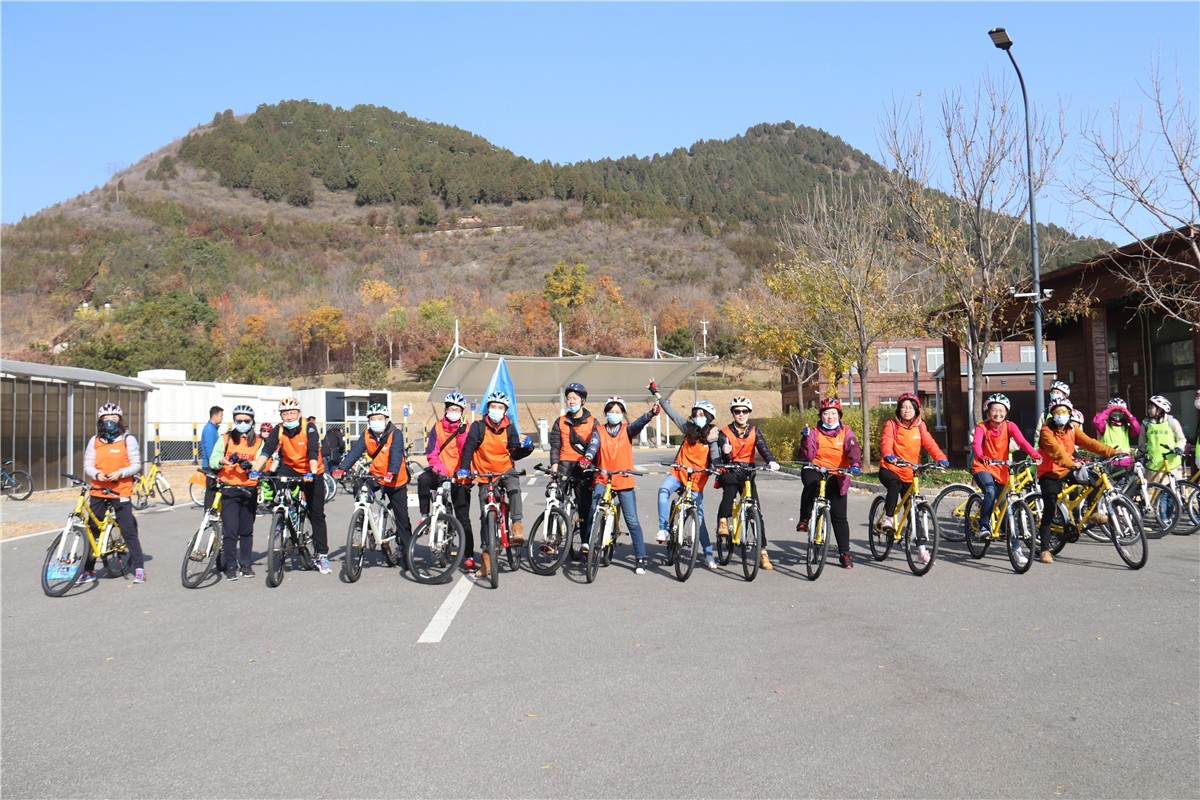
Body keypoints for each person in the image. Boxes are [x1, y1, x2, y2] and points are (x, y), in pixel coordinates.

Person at [456, 391, 534, 579]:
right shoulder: (478, 427)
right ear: (487, 408)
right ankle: (486, 561)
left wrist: (527, 449)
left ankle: (516, 526)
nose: (496, 410)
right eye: (493, 406)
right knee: (485, 516)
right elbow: (469, 447)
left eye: (500, 407)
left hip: (505, 469)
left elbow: (514, 452)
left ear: (505, 411)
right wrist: (464, 468)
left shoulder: (509, 428)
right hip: (485, 474)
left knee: (514, 488)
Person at [250, 397, 332, 574]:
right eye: (285, 414)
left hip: (312, 469)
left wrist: (311, 472)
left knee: (316, 513)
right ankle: (283, 519)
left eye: (292, 413)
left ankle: (322, 555)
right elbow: (267, 449)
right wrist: (255, 470)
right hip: (291, 467)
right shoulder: (279, 429)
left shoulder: (309, 427)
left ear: (299, 413)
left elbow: (312, 450)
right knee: (278, 484)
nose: (288, 417)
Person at [578, 395, 658, 574]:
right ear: (606, 413)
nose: (614, 414)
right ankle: (588, 543)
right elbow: (593, 446)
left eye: (618, 411)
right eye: (611, 411)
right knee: (594, 509)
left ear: (622, 413)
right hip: (603, 477)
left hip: (624, 479)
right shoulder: (599, 430)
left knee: (632, 520)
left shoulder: (627, 429)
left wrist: (651, 414)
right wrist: (587, 458)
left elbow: (639, 423)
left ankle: (640, 557)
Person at [1036, 398, 1120, 564]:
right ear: (1052, 415)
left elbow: (1090, 443)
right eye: (1057, 412)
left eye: (1064, 412)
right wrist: (1071, 463)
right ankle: (1044, 550)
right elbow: (1056, 452)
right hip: (1050, 473)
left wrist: (1112, 452)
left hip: (1068, 468)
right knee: (1050, 508)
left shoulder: (1072, 429)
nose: (1061, 415)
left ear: (1070, 414)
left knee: (1096, 478)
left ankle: (1092, 512)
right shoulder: (1046, 431)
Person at [649, 381, 721, 570]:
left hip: (697, 480)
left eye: (702, 415)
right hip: (678, 473)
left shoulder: (712, 436)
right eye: (696, 414)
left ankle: (708, 554)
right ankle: (664, 529)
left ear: (708, 417)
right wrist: (657, 393)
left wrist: (718, 466)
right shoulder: (687, 429)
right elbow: (671, 412)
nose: (698, 417)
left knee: (699, 519)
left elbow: (715, 455)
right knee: (663, 491)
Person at [333, 404, 411, 569]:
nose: (376, 421)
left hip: (395, 479)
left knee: (402, 518)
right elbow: (354, 452)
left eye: (379, 418)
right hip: (376, 475)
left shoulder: (395, 434)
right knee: (359, 484)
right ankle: (364, 515)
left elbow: (396, 454)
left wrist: (392, 471)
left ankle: (407, 554)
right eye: (372, 419)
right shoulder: (367, 435)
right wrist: (342, 468)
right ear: (368, 422)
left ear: (386, 420)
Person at [80, 403, 146, 584]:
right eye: (106, 418)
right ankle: (88, 570)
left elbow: (136, 465)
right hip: (98, 489)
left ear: (120, 420)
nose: (110, 421)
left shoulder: (128, 439)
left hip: (120, 490)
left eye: (114, 418)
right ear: (100, 421)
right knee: (93, 530)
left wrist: (121, 473)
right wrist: (96, 474)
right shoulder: (94, 441)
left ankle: (139, 568)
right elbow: (88, 465)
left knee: (127, 529)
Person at [879, 393, 949, 564]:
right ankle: (888, 517)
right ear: (898, 410)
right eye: (903, 407)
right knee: (894, 484)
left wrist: (940, 457)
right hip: (890, 468)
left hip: (910, 472)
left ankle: (921, 550)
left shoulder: (920, 426)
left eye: (910, 407)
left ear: (916, 410)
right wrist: (888, 454)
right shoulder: (891, 424)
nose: (906, 410)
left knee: (913, 510)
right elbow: (886, 441)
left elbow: (930, 444)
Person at [714, 396, 781, 571]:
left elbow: (763, 448)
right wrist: (725, 452)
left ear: (749, 413)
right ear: (733, 413)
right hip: (730, 470)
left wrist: (771, 461)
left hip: (748, 472)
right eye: (737, 411)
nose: (741, 414)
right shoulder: (725, 432)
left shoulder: (754, 431)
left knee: (756, 511)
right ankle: (723, 521)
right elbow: (723, 455)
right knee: (730, 487)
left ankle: (762, 552)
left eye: (744, 411)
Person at [798, 397, 862, 570]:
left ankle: (844, 553)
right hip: (816, 469)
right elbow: (807, 455)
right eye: (826, 414)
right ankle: (804, 518)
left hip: (838, 473)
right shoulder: (814, 431)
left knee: (839, 516)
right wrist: (805, 439)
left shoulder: (846, 431)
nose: (830, 417)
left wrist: (855, 465)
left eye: (833, 413)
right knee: (811, 485)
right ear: (821, 416)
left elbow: (853, 449)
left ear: (839, 415)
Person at [416, 392, 476, 570]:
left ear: (462, 411)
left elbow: (467, 452)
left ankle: (469, 556)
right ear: (445, 410)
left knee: (463, 518)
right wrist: (441, 473)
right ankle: (424, 517)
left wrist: (462, 434)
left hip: (460, 476)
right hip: (441, 473)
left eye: (457, 409)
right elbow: (432, 453)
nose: (453, 412)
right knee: (423, 479)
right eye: (451, 409)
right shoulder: (437, 427)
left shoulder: (468, 428)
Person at [971, 393, 1040, 541]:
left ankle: (1005, 530)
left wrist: (1035, 455)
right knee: (990, 491)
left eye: (1001, 410)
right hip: (983, 466)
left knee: (1004, 500)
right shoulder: (981, 427)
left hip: (1001, 468)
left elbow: (1022, 442)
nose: (998, 414)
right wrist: (982, 456)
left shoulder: (1010, 426)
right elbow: (976, 444)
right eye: (994, 410)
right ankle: (984, 526)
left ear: (1006, 412)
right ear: (988, 412)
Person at [209, 404, 263, 580]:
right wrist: (222, 461)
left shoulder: (259, 442)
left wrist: (251, 465)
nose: (242, 423)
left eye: (246, 420)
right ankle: (230, 564)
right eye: (239, 420)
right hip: (229, 489)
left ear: (252, 421)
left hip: (249, 489)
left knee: (246, 530)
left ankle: (246, 564)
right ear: (233, 421)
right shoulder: (225, 439)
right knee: (230, 530)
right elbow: (213, 459)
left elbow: (263, 462)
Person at [548, 382, 599, 560]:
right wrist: (554, 470)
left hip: (583, 468)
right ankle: (552, 539)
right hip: (563, 465)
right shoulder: (560, 421)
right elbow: (555, 446)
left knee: (584, 506)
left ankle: (585, 542)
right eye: (568, 398)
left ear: (582, 401)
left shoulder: (592, 422)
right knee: (554, 499)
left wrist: (590, 464)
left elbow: (595, 446)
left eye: (575, 398)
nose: (571, 401)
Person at [1139, 395, 1187, 477]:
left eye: (1151, 408)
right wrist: (1141, 460)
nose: (1148, 410)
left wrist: (1179, 448)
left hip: (1173, 465)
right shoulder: (1146, 424)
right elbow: (1141, 444)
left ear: (1160, 409)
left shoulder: (1173, 422)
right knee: (1154, 486)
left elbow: (1181, 439)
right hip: (1153, 466)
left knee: (1176, 486)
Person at [199, 405, 223, 512]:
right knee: (211, 491)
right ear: (215, 416)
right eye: (221, 415)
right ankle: (208, 513)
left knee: (215, 490)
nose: (222, 418)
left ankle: (213, 511)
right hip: (210, 465)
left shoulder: (213, 429)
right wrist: (215, 464)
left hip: (212, 464)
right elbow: (210, 450)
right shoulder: (209, 430)